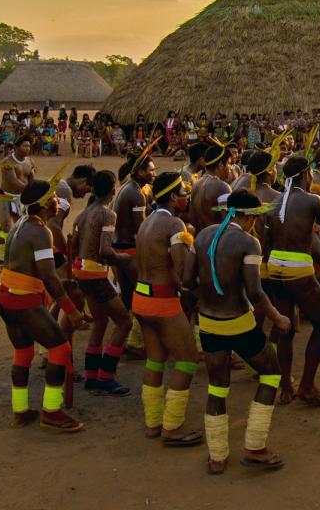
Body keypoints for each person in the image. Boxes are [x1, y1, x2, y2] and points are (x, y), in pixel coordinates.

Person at [185, 188, 292, 473]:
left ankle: (217, 456)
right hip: (239, 321)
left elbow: (186, 281)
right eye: (253, 218)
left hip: (207, 322)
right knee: (271, 374)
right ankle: (255, 447)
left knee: (217, 387)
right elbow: (255, 292)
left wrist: (205, 300)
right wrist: (278, 317)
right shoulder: (249, 242)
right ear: (245, 217)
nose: (254, 223)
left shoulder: (202, 236)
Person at [0, 178, 86, 432]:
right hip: (24, 300)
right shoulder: (40, 231)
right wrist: (71, 309)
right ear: (45, 204)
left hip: (5, 296)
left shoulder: (20, 225)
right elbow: (48, 275)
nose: (58, 202)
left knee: (23, 353)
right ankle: (52, 411)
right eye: (55, 198)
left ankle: (20, 410)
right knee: (59, 349)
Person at [132, 171, 203, 445]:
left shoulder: (147, 222)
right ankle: (171, 427)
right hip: (162, 302)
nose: (187, 198)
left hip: (141, 298)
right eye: (184, 194)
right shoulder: (174, 224)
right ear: (173, 197)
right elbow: (184, 272)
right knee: (187, 360)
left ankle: (153, 423)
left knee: (155, 360)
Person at [264, 154, 320, 406]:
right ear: (307, 175)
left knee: (286, 329)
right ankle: (306, 386)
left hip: (274, 270)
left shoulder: (275, 201)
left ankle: (286, 386)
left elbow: (268, 243)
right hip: (298, 271)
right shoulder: (312, 200)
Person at [71, 170, 134, 396]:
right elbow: (105, 250)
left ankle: (90, 375)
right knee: (124, 322)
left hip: (81, 270)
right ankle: (106, 376)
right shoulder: (107, 214)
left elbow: (74, 242)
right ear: (112, 190)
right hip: (95, 274)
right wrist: (123, 259)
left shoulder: (84, 213)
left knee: (100, 321)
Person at [113, 149, 154, 356]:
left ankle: (127, 338)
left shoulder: (126, 188)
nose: (153, 174)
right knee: (142, 293)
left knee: (129, 296)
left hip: (118, 248)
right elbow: (141, 229)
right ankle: (137, 342)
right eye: (150, 171)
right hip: (129, 249)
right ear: (140, 173)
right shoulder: (136, 194)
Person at [0, 139, 35, 266]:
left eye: (29, 146)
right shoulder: (7, 162)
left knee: (21, 227)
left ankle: (18, 255)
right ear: (17, 147)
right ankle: (1, 257)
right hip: (6, 196)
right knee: (6, 227)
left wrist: (34, 190)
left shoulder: (30, 161)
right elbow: (13, 181)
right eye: (25, 146)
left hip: (21, 197)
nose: (28, 149)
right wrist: (32, 190)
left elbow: (31, 179)